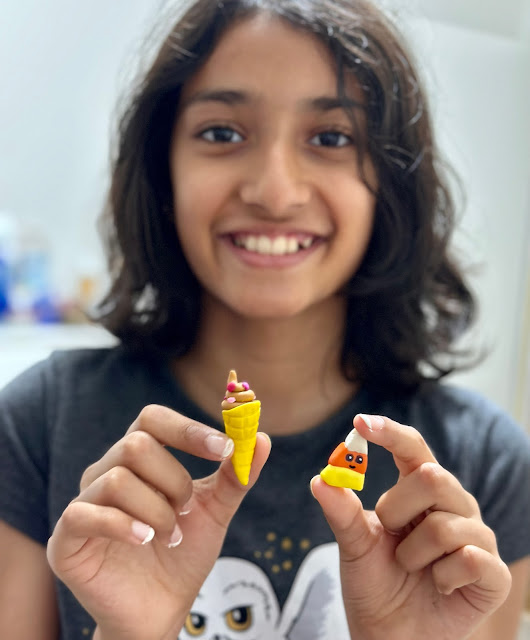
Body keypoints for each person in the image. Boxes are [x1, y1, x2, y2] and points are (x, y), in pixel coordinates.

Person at [1, 0, 529, 638]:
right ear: (163, 169)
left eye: (331, 138)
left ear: (390, 182)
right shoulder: (39, 424)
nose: (275, 193)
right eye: (222, 133)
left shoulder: (488, 464)